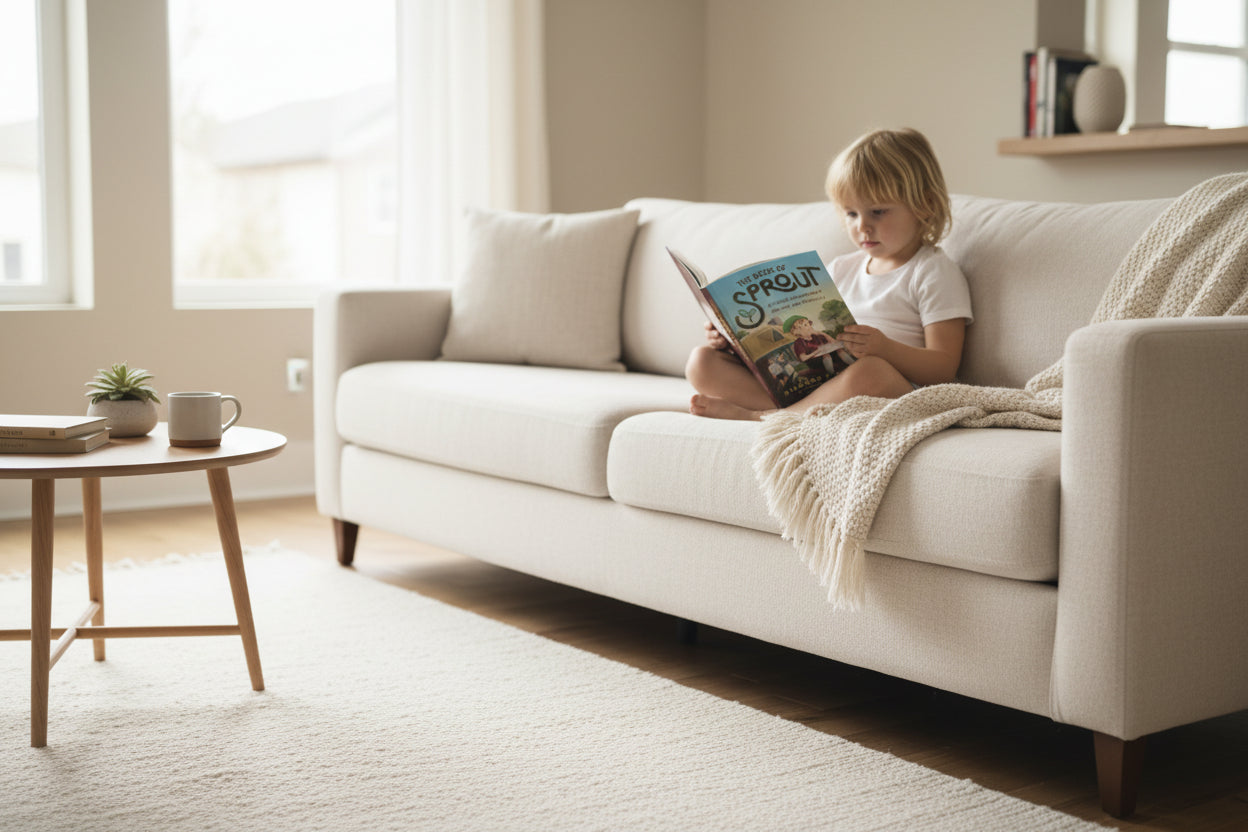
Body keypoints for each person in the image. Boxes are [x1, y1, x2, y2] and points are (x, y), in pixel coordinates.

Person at [686, 127, 973, 421]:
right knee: (702, 362)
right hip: (822, 384)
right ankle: (795, 411)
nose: (862, 226)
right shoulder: (841, 268)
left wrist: (884, 348)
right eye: (851, 214)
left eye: (878, 211)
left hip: (891, 388)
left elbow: (944, 368)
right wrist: (733, 341)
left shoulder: (933, 271)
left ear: (923, 206)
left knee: (869, 370)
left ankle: (763, 417)